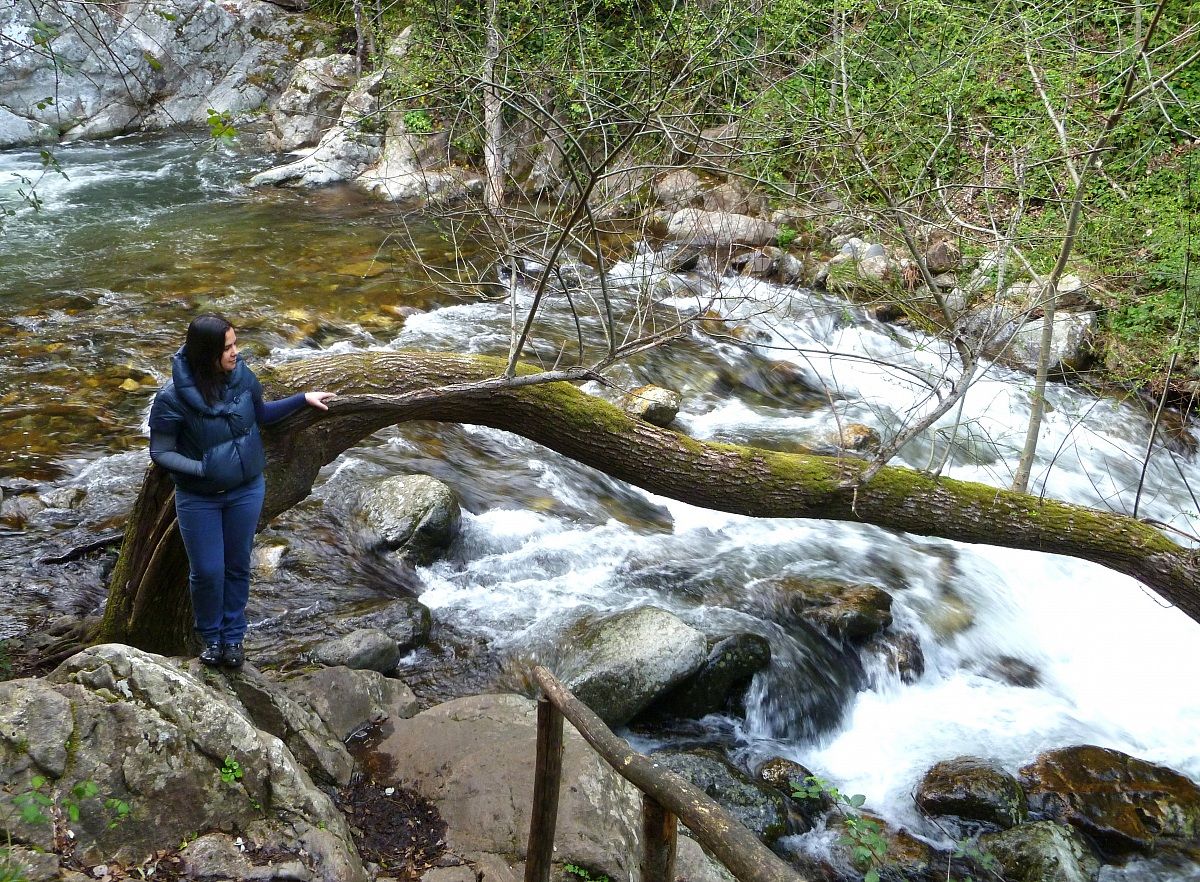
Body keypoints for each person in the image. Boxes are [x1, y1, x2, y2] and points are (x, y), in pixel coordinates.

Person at [148, 314, 336, 668]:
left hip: (246, 491)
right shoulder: (171, 398)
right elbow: (161, 452)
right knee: (207, 571)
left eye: (236, 343)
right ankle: (211, 638)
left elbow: (262, 415)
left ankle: (233, 639)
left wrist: (302, 398)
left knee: (236, 566)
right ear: (206, 354)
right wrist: (203, 469)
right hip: (199, 498)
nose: (236, 352)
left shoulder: (242, 378)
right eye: (228, 347)